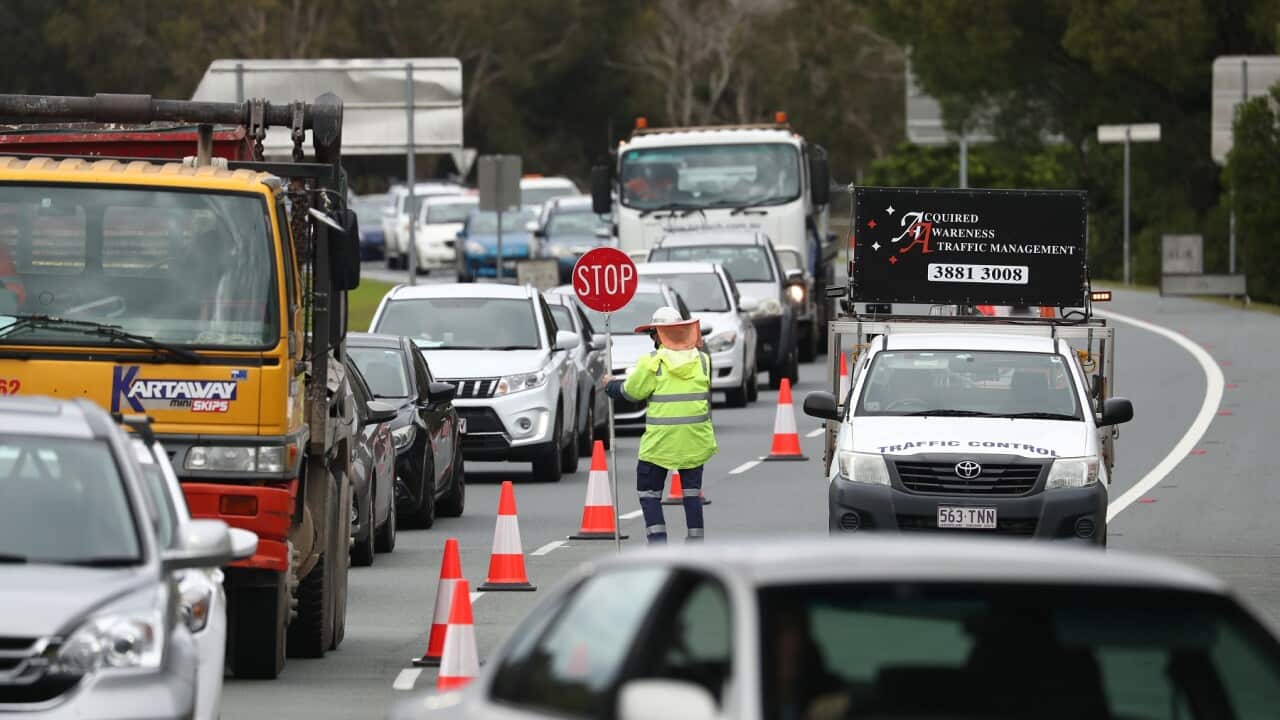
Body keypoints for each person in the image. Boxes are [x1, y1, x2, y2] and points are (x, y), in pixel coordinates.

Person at [605, 306, 717, 544]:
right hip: (696, 440)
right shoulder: (703, 360)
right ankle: (696, 544)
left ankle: (658, 545)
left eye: (652, 334)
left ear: (658, 335)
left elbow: (631, 392)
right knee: (692, 494)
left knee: (649, 493)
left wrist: (610, 385)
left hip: (660, 443)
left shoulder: (652, 362)